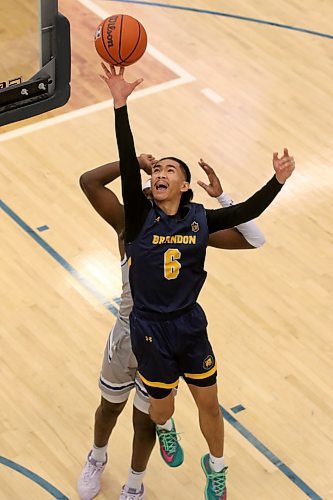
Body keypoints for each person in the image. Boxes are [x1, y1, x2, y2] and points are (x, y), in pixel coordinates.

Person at [100, 63, 295, 500]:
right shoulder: (138, 217)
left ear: (185, 185)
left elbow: (247, 215)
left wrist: (278, 181)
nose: (160, 174)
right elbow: (129, 166)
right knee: (162, 408)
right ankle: (168, 430)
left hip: (188, 324)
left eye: (170, 170)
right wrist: (120, 105)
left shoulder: (199, 220)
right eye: (157, 171)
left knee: (209, 403)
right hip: (149, 328)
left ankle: (217, 467)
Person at [77, 150, 266, 500]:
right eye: (153, 177)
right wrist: (133, 161)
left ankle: (135, 482)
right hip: (128, 335)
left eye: (167, 174)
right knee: (109, 407)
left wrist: (223, 197)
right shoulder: (128, 226)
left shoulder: (189, 230)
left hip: (169, 335)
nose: (156, 182)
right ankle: (97, 457)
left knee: (148, 418)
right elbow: (90, 181)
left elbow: (253, 238)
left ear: (181, 188)